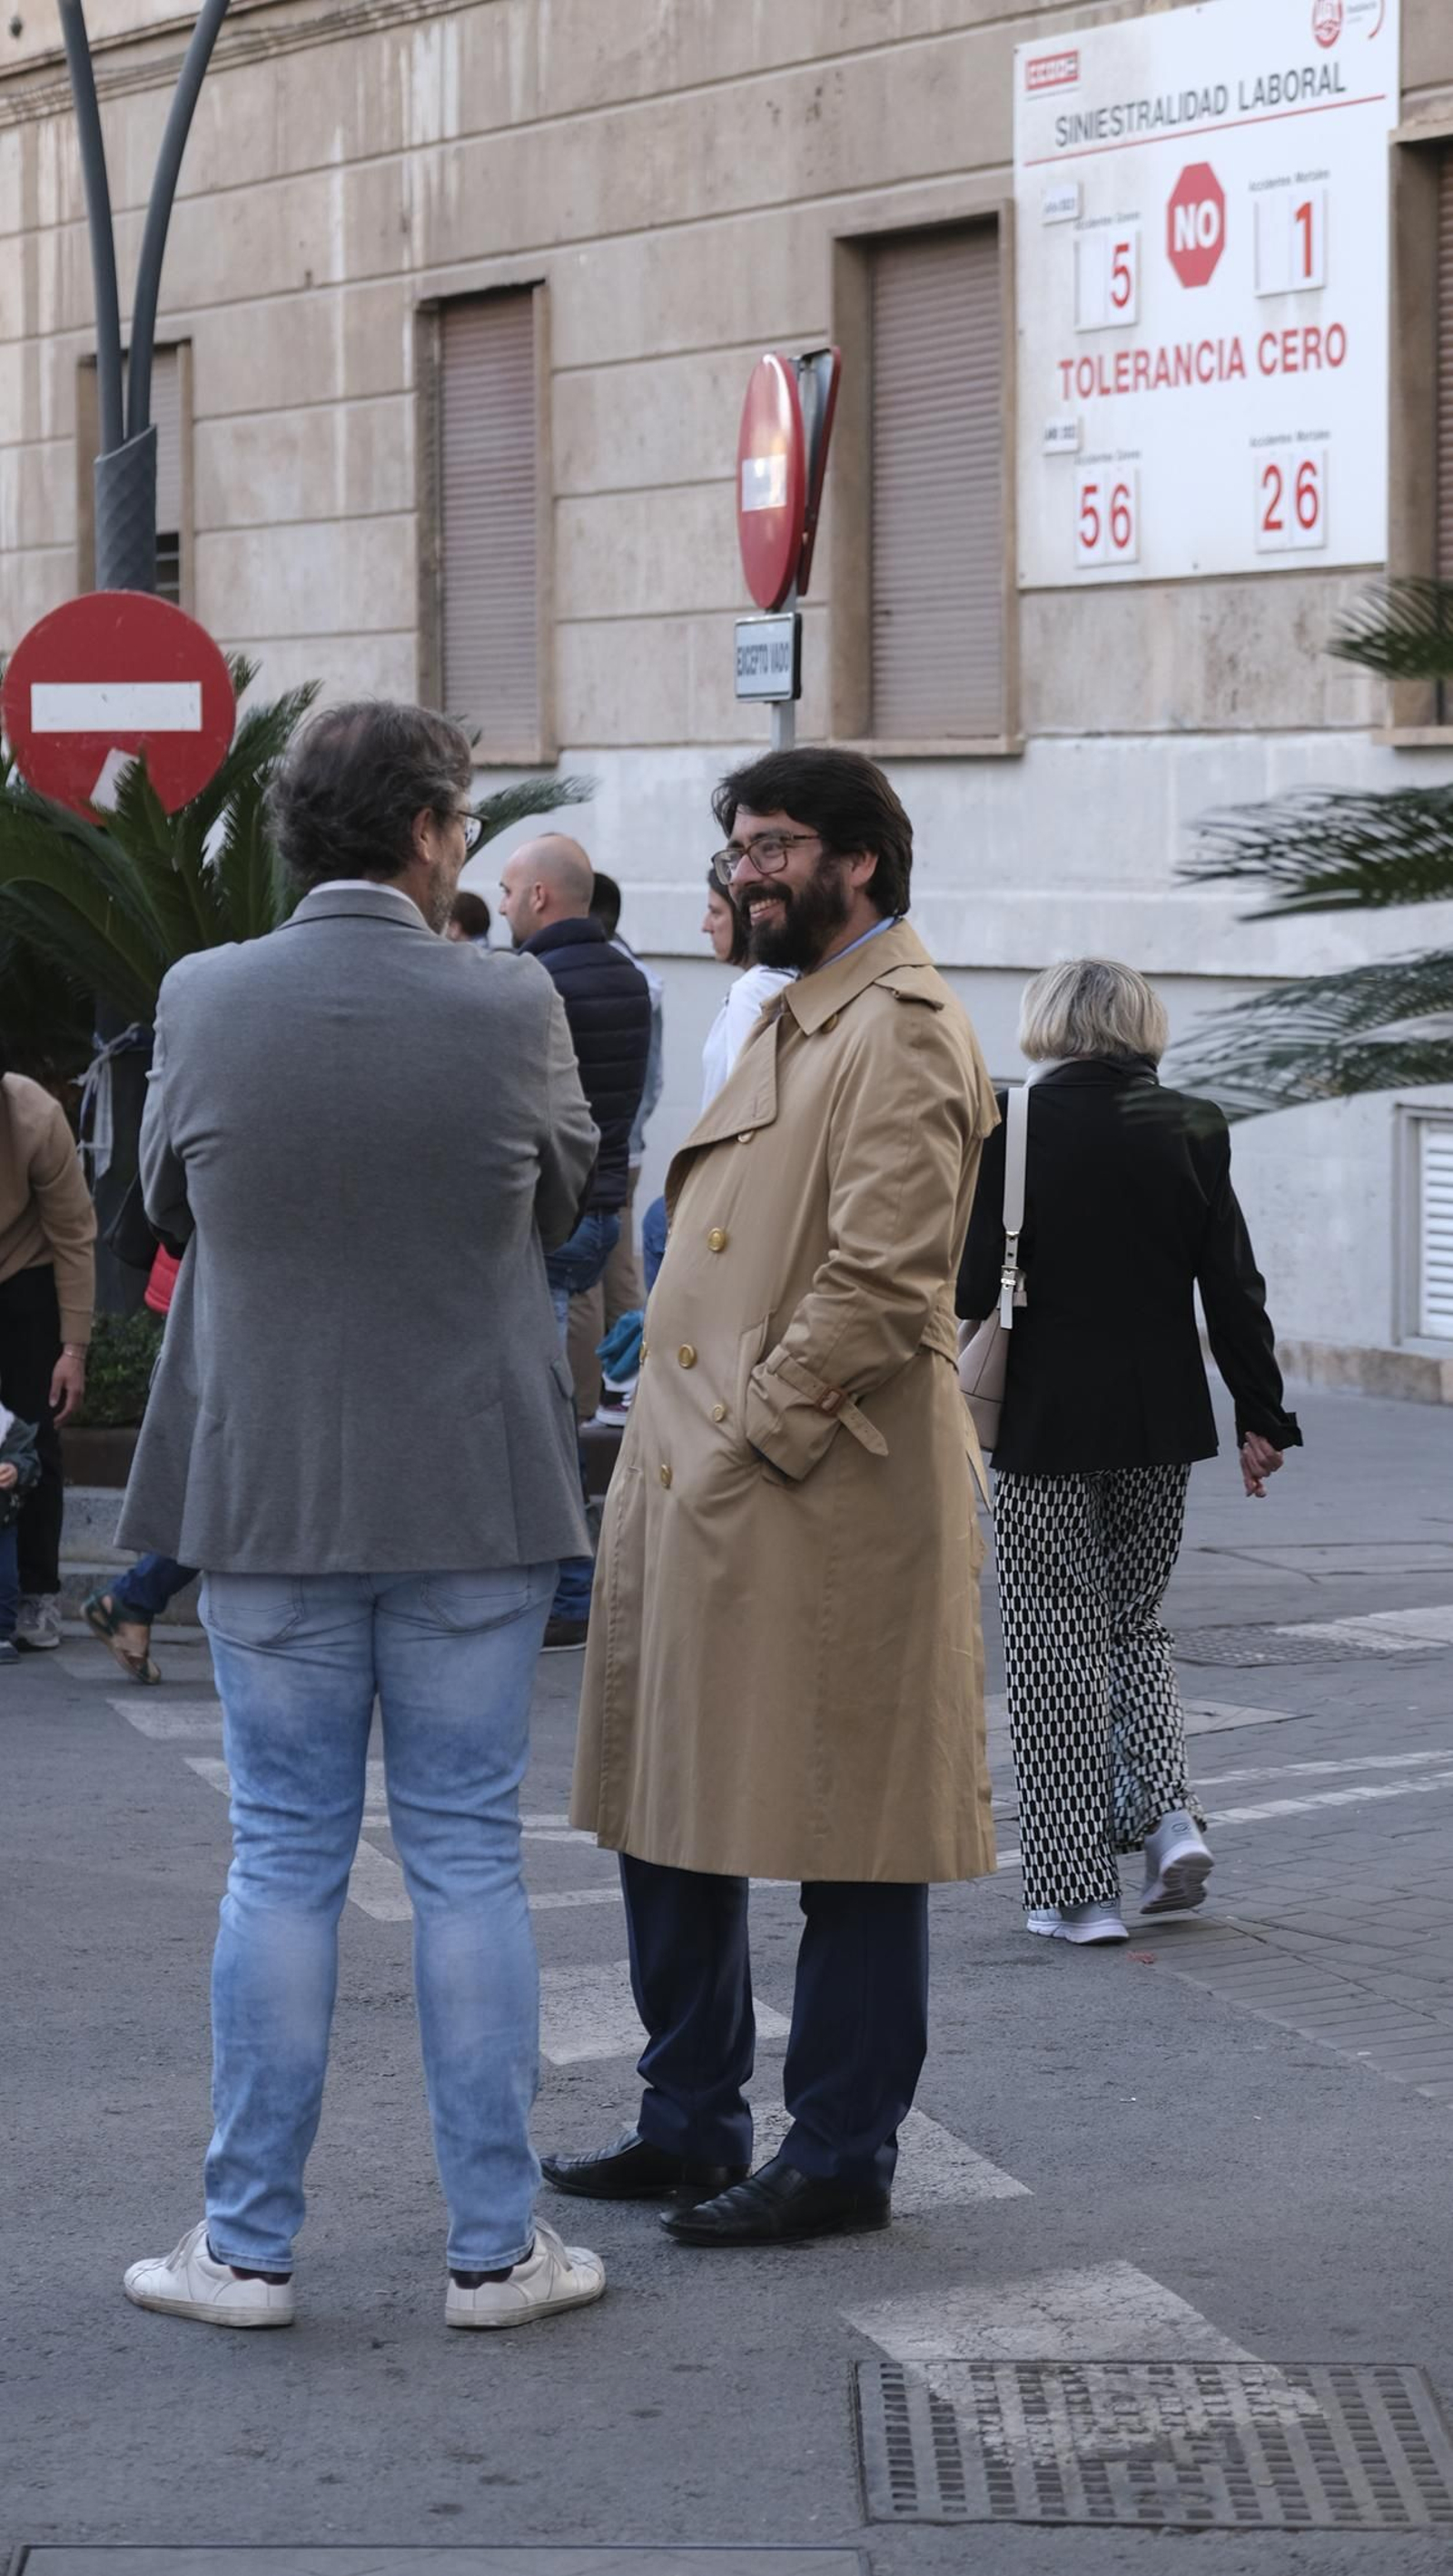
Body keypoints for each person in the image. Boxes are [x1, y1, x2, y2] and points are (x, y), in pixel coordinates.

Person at [116, 699, 606, 2333]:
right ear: (425, 832)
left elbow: (165, 1198)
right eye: (459, 819)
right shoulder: (511, 999)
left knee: (281, 1857)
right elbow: (563, 1195)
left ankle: (245, 2247)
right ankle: (493, 2248)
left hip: (265, 1489)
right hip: (470, 1481)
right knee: (469, 1856)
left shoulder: (203, 993)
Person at [551, 748, 999, 2245]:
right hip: (709, 1488)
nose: (748, 869)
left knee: (846, 1831)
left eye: (779, 847)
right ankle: (689, 2121)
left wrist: (752, 1430)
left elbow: (882, 1283)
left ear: (860, 863)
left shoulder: (907, 1029)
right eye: (740, 843)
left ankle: (841, 2152)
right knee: (668, 1808)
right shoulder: (798, 1012)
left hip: (815, 1493)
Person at [957, 957, 1303, 1949]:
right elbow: (1232, 1284)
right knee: (1136, 1623)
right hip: (1160, 1423)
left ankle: (1074, 1892)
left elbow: (972, 1279)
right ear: (1141, 1026)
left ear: (1045, 1022)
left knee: (1049, 1635)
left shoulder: (1005, 1122)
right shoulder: (1190, 1122)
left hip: (1038, 1424)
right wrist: (1262, 1416)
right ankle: (1167, 1819)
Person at [498, 834, 651, 1649]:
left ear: (542, 900)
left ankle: (572, 1585)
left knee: (542, 1407)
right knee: (550, 1395)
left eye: (510, 889)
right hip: (603, 1213)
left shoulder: (534, 983)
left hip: (551, 1217)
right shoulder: (629, 974)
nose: (501, 903)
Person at [0, 1044, 94, 1652]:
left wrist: (73, 1350)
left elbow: (75, 1234)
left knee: (33, 1436)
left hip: (23, 1275)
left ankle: (37, 1591)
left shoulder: (35, 1116)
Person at [567, 870, 664, 1422]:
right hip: (625, 1145)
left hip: (602, 1149)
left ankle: (590, 1406)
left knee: (588, 1284)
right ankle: (627, 1387)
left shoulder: (612, 973)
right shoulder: (640, 973)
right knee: (618, 1269)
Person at [84, 1243, 196, 1685]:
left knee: (231, 1483)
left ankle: (135, 1597)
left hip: (205, 1279)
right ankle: (134, 1596)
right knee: (238, 1484)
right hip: (218, 1284)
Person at [0, 1395, 42, 1665]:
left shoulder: (8, 1425)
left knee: (5, 1578)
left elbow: (31, 1460)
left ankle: (2, 1631)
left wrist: (16, 1469)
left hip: (1, 1521)